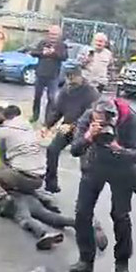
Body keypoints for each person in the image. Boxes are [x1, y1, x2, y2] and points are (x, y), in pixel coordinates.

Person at [0, 103, 107, 251]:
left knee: (24, 218)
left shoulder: (2, 133)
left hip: (18, 194)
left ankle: (44, 233)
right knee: (52, 217)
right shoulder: (27, 127)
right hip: (34, 185)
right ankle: (86, 225)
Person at [69, 98, 136, 272]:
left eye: (105, 123)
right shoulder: (89, 116)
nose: (102, 126)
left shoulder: (130, 119)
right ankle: (85, 260)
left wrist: (118, 148)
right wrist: (89, 135)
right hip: (95, 164)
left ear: (115, 118)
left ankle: (122, 262)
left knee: (120, 215)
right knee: (82, 212)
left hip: (121, 169)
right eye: (98, 121)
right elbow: (75, 149)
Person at [41, 63, 99, 193]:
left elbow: (92, 115)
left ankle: (87, 191)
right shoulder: (66, 91)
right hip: (67, 128)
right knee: (52, 149)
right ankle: (51, 183)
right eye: (67, 77)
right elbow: (57, 111)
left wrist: (73, 125)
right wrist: (47, 125)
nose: (69, 80)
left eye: (72, 77)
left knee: (85, 163)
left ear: (80, 76)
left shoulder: (91, 92)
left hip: (85, 130)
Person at [30, 25, 68, 123]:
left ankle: (47, 119)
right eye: (51, 34)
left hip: (53, 76)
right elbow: (33, 52)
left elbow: (64, 57)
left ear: (59, 35)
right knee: (37, 96)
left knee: (51, 98)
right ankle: (35, 115)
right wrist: (43, 53)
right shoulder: (43, 43)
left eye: (55, 34)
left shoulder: (62, 45)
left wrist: (53, 53)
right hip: (40, 74)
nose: (52, 36)